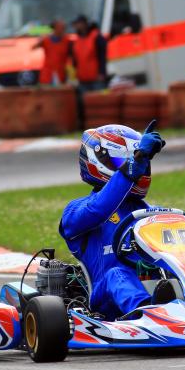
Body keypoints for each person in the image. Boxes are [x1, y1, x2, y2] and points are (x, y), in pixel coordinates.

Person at [59, 123, 167, 320]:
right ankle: (146, 313)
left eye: (143, 161)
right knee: (116, 275)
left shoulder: (149, 211)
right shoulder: (76, 210)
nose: (141, 169)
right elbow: (99, 209)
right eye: (124, 160)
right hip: (106, 298)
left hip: (156, 286)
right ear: (97, 159)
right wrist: (135, 162)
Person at [71, 15, 107, 91]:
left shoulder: (96, 37)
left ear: (84, 24)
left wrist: (102, 72)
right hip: (82, 79)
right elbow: (75, 60)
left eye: (78, 23)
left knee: (97, 97)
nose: (76, 26)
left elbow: (102, 56)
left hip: (96, 78)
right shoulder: (77, 40)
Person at [33, 19, 70, 85]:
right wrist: (40, 39)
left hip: (61, 74)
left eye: (64, 28)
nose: (63, 30)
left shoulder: (67, 41)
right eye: (61, 28)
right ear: (55, 28)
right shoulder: (46, 40)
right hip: (47, 74)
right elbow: (33, 47)